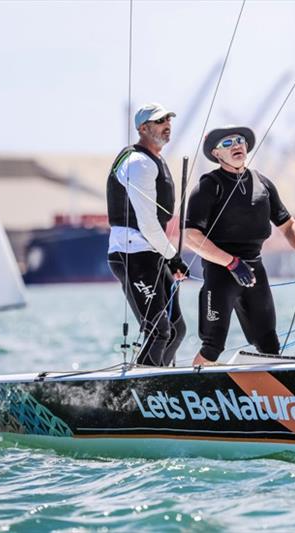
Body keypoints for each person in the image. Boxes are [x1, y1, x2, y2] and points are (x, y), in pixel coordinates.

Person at [184, 125, 295, 366]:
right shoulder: (209, 186)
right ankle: (186, 392)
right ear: (216, 153)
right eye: (228, 143)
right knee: (212, 346)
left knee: (269, 343)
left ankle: (273, 396)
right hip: (221, 272)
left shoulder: (262, 183)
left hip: (254, 270)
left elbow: (288, 224)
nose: (237, 145)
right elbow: (192, 237)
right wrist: (231, 263)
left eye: (240, 140)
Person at [106, 103, 189, 366]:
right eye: (159, 121)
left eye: (169, 120)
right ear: (143, 128)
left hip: (150, 252)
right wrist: (173, 257)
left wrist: (166, 256)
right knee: (159, 331)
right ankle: (138, 391)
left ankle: (161, 387)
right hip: (132, 254)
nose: (167, 125)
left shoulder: (154, 159)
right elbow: (148, 223)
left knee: (177, 330)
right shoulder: (138, 163)